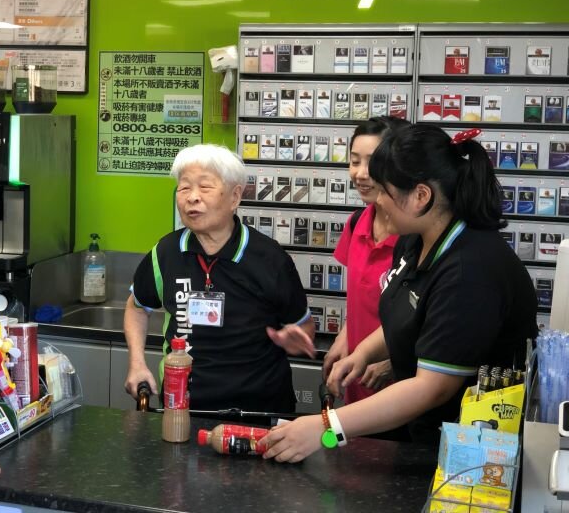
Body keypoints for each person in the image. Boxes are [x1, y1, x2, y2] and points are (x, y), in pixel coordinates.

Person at [261, 125, 538, 462]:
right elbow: (409, 312)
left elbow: (431, 387)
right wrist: (363, 351)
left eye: (384, 192)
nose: (375, 201)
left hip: (469, 452)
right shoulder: (414, 239)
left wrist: (325, 426)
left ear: (421, 196)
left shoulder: (470, 272)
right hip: (417, 433)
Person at [123, 144, 316, 415]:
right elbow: (136, 306)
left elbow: (304, 326)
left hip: (258, 409)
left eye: (205, 187)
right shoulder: (166, 252)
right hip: (183, 404)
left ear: (235, 197)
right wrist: (137, 362)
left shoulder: (269, 258)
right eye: (184, 188)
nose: (192, 198)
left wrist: (295, 338)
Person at [323, 116, 409, 405]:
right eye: (354, 161)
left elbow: (429, 319)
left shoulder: (416, 236)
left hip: (403, 388)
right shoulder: (356, 222)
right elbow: (360, 300)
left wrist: (395, 363)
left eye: (371, 162)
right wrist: (345, 338)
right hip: (358, 379)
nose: (360, 173)